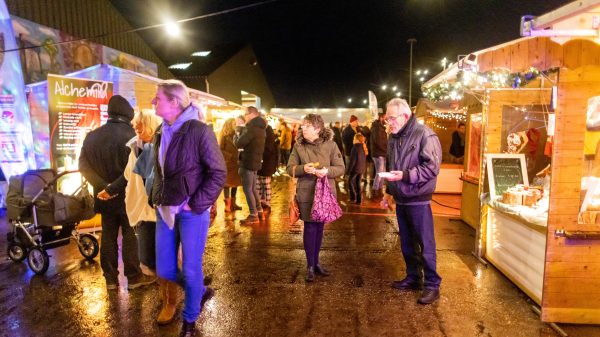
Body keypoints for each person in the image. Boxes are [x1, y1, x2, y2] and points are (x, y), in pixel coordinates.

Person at [150, 80, 226, 336]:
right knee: (165, 269)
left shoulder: (199, 131)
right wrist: (155, 196)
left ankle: (190, 321)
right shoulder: (160, 131)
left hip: (193, 211)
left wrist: (196, 203)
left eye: (157, 98)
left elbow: (218, 172)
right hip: (164, 209)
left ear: (174, 101)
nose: (153, 102)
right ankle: (200, 292)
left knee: (191, 269)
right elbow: (159, 172)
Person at [79, 95, 156, 291]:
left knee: (108, 234)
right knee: (131, 234)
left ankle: (110, 279)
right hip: (129, 194)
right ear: (127, 114)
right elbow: (138, 169)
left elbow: (84, 166)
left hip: (103, 196)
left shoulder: (92, 136)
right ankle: (133, 276)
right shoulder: (134, 136)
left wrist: (104, 187)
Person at [380, 98, 442, 305]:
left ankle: (432, 284)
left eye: (391, 117)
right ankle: (414, 277)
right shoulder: (393, 137)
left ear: (405, 116)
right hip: (401, 198)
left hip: (418, 199)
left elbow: (432, 167)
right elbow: (391, 166)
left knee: (425, 244)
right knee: (407, 243)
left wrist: (406, 176)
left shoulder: (424, 134)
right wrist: (388, 193)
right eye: (387, 118)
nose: (389, 121)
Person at [124, 110, 180, 324]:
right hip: (146, 211)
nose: (138, 131)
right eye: (136, 127)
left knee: (167, 259)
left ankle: (170, 301)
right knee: (148, 259)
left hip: (166, 211)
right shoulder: (137, 147)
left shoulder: (168, 144)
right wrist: (113, 189)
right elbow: (130, 175)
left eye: (141, 126)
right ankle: (166, 287)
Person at [287, 114, 345, 282]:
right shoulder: (298, 146)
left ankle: (316, 262)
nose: (302, 128)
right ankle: (310, 265)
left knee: (319, 228)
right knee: (310, 227)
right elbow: (289, 168)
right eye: (303, 125)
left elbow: (340, 168)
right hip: (306, 192)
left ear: (317, 129)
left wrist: (326, 171)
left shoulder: (331, 145)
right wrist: (303, 168)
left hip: (325, 193)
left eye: (307, 126)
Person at [234, 106, 267, 225]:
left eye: (245, 114)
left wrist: (237, 132)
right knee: (253, 188)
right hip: (255, 161)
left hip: (248, 161)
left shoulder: (251, 128)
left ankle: (253, 215)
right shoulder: (261, 127)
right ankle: (259, 211)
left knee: (248, 189)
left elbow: (239, 143)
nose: (245, 117)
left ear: (251, 114)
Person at [219, 118, 242, 213]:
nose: (235, 125)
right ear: (229, 124)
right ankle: (227, 205)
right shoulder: (224, 136)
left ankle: (233, 203)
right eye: (233, 123)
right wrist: (230, 156)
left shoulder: (236, 135)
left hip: (236, 163)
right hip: (228, 163)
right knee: (227, 184)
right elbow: (220, 150)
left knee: (235, 183)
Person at [258, 121, 278, 213]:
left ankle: (267, 204)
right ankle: (261, 202)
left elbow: (269, 149)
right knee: (259, 184)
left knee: (266, 184)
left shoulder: (269, 134)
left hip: (267, 163)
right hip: (261, 163)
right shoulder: (263, 132)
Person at [370, 112, 388, 197]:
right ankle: (375, 190)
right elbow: (379, 142)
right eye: (385, 118)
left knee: (382, 172)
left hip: (382, 153)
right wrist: (386, 149)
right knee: (380, 172)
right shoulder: (377, 128)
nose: (386, 119)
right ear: (381, 118)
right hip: (378, 154)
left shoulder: (380, 127)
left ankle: (379, 189)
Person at [347, 133, 367, 204]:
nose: (353, 140)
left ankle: (353, 198)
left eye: (354, 139)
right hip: (361, 168)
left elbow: (352, 161)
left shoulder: (355, 147)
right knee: (358, 183)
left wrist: (348, 171)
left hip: (355, 169)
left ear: (357, 140)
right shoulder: (363, 147)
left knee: (350, 182)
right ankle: (359, 200)